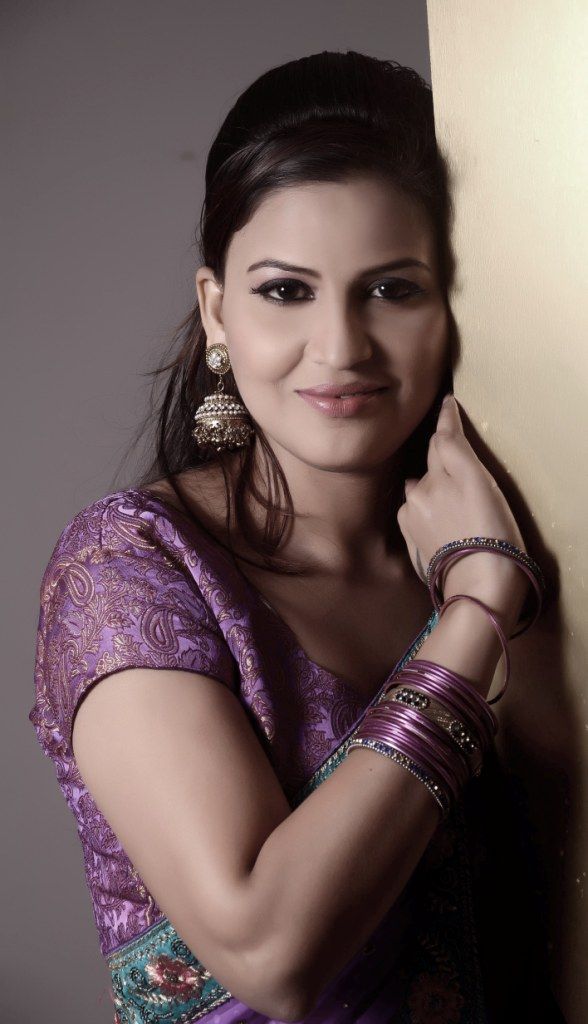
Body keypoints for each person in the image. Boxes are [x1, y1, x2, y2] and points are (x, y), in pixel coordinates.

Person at [29, 51, 565, 1023]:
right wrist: (479, 609)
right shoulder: (130, 570)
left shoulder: (535, 540)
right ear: (216, 311)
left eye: (392, 289)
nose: (342, 347)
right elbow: (270, 953)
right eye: (286, 291)